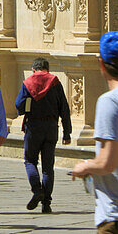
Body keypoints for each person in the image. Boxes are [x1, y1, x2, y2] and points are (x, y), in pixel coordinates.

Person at [72, 30, 118, 233]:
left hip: (113, 215)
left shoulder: (109, 102)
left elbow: (106, 163)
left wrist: (85, 166)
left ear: (102, 63)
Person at [15, 56, 71, 214]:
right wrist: (67, 133)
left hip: (33, 127)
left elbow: (19, 105)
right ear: (47, 69)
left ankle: (37, 189)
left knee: (30, 161)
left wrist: (25, 109)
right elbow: (64, 109)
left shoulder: (28, 83)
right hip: (51, 127)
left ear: (33, 69)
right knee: (48, 167)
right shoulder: (55, 82)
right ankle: (46, 203)